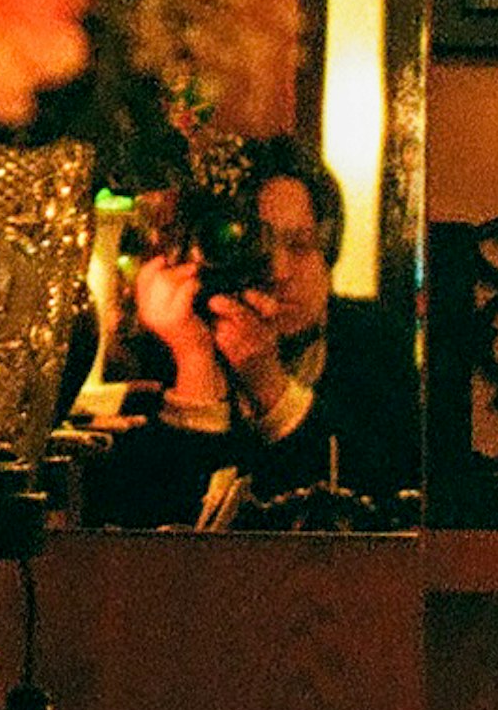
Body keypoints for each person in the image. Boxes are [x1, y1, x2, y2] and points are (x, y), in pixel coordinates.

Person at [133, 149, 422, 514]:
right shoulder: (173, 343)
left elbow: (385, 503)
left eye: (299, 246)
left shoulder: (371, 340)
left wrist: (270, 385)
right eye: (254, 245)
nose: (278, 271)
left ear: (327, 251)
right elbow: (156, 530)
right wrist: (194, 361)